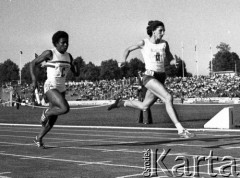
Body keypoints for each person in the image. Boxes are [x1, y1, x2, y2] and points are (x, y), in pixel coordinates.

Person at [108, 20, 195, 138]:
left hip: (161, 77)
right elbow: (128, 49)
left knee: (144, 106)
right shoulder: (144, 43)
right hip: (149, 76)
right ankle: (181, 130)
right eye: (160, 31)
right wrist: (124, 60)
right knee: (168, 97)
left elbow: (169, 58)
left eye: (164, 31)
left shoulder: (164, 44)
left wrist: (174, 62)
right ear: (153, 31)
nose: (163, 33)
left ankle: (121, 103)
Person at [30, 31, 79, 148]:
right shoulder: (50, 53)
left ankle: (38, 138)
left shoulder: (69, 56)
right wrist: (34, 80)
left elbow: (76, 73)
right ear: (56, 43)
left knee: (51, 121)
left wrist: (76, 65)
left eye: (67, 42)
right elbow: (32, 63)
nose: (65, 45)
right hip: (50, 87)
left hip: (61, 89)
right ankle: (46, 112)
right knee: (64, 108)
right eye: (63, 43)